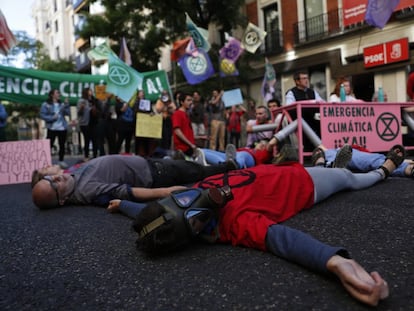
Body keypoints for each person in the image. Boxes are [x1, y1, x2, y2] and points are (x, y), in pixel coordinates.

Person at [124, 145, 404, 307]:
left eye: (182, 198)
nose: (198, 203)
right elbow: (283, 240)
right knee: (347, 177)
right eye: (195, 220)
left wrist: (120, 204)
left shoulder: (187, 192)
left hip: (283, 171)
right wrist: (336, 262)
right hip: (304, 186)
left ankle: (321, 160)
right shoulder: (234, 224)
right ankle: (384, 171)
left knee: (325, 168)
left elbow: (148, 209)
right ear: (196, 236)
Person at [31, 154, 238, 209]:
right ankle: (231, 167)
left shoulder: (72, 179)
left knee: (192, 168)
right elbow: (127, 193)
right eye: (54, 184)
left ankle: (226, 167)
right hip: (155, 174)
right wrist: (165, 192)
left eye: (50, 178)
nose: (56, 177)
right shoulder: (88, 191)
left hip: (148, 164)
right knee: (198, 171)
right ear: (61, 201)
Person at [312, 144, 414, 178]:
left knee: (367, 159)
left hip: (340, 153)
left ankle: (325, 166)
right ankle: (407, 168)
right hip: (334, 152)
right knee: (369, 160)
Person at [285, 70, 325, 151]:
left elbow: (322, 102)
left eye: (307, 78)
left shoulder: (312, 91)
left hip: (313, 119)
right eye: (303, 78)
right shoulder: (291, 93)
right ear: (297, 81)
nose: (306, 80)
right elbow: (289, 106)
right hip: (299, 120)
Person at [39, 89, 71, 168]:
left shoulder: (62, 104)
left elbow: (68, 113)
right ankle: (47, 162)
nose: (59, 94)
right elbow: (42, 115)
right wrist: (52, 118)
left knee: (62, 145)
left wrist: (67, 104)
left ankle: (61, 160)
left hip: (62, 128)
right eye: (57, 93)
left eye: (59, 93)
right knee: (49, 145)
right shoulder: (46, 104)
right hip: (52, 128)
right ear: (52, 95)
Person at [172, 92, 197, 158]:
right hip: (182, 150)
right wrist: (190, 144)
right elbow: (177, 131)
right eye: (188, 100)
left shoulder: (186, 114)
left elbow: (186, 132)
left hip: (189, 148)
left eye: (191, 100)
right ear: (182, 102)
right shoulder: (177, 114)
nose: (191, 102)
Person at [77, 87, 95, 159]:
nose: (91, 92)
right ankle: (86, 156)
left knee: (94, 139)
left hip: (93, 122)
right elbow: (79, 113)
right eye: (90, 91)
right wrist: (81, 108)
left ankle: (94, 154)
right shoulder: (82, 101)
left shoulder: (92, 100)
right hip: (84, 123)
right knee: (87, 139)